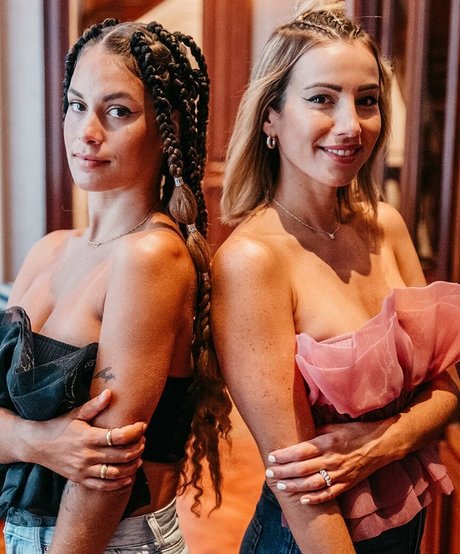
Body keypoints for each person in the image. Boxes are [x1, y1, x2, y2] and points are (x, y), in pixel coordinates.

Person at [211, 1, 460, 553]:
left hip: (404, 527)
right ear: (271, 117)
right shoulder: (252, 261)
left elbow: (449, 388)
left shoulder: (385, 226)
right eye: (322, 98)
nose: (350, 125)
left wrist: (379, 445)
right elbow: (304, 489)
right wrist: (407, 430)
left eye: (366, 100)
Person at [0, 18, 231, 553]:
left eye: (118, 111)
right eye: (77, 105)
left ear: (166, 127)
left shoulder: (150, 257)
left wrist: (15, 440)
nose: (88, 131)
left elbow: (105, 475)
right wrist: (38, 441)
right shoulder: (49, 251)